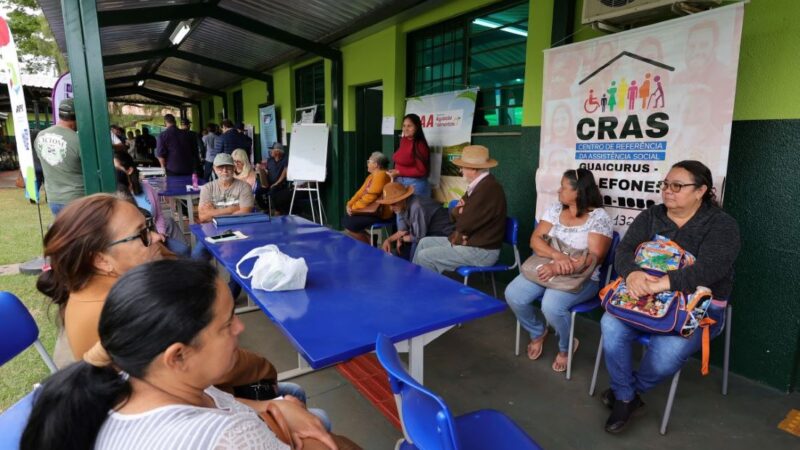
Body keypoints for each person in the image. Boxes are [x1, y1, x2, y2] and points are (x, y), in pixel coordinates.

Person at [35, 194, 323, 409]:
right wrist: (266, 380)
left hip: (203, 397)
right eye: (142, 234)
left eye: (149, 226)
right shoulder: (136, 309)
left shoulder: (86, 291)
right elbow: (220, 375)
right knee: (303, 404)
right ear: (100, 259)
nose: (159, 235)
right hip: (210, 404)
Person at [23, 259, 341, 450]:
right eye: (227, 323)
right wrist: (280, 407)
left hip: (245, 396)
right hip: (252, 388)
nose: (158, 236)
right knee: (299, 397)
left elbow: (218, 398)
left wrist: (272, 405)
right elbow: (254, 371)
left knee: (290, 394)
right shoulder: (230, 438)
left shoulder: (127, 370)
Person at [599, 160, 740, 433]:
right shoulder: (652, 215)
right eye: (665, 184)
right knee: (609, 324)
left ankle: (626, 391)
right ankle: (626, 397)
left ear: (701, 191)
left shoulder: (722, 225)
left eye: (677, 186)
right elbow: (624, 251)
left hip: (697, 309)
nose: (668, 191)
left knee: (668, 354)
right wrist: (632, 275)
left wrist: (662, 284)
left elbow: (709, 269)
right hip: (643, 301)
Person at [505, 169, 612, 372]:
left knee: (551, 306)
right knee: (514, 294)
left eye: (563, 187)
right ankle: (538, 332)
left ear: (579, 191)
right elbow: (535, 240)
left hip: (581, 277)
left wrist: (559, 267)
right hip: (547, 266)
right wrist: (557, 257)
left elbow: (593, 258)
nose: (558, 191)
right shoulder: (555, 209)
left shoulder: (599, 217)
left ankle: (566, 346)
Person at [413, 145, 507, 273]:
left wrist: (461, 211)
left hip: (482, 251)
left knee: (426, 257)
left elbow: (464, 224)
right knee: (424, 242)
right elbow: (453, 214)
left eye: (463, 166)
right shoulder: (478, 186)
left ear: (473, 169)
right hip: (469, 242)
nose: (460, 170)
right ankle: (416, 285)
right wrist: (459, 211)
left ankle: (429, 292)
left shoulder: (488, 188)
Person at [112, 150, 190, 257]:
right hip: (137, 244)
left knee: (184, 250)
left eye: (116, 169)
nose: (113, 174)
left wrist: (161, 233)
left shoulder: (147, 188)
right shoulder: (115, 195)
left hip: (155, 235)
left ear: (129, 170)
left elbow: (159, 216)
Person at [377, 182, 454, 260]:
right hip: (427, 233)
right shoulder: (401, 206)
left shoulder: (417, 207)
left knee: (412, 258)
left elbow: (418, 237)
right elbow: (403, 231)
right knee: (400, 253)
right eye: (389, 204)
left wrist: (401, 239)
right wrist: (388, 240)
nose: (391, 208)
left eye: (393, 204)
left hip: (445, 234)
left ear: (403, 198)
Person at [34, 97, 83, 216]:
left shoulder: (40, 136)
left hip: (53, 199)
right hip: (77, 199)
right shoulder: (79, 140)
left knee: (65, 234)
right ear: (76, 116)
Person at [341, 152, 393, 244]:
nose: (367, 163)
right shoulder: (371, 176)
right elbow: (360, 193)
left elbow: (370, 197)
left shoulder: (381, 175)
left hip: (380, 213)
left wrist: (354, 208)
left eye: (369, 161)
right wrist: (349, 204)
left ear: (376, 164)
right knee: (347, 220)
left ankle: (369, 244)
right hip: (369, 210)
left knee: (349, 223)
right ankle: (370, 239)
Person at [197, 153, 254, 224]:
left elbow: (245, 212)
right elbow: (203, 217)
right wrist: (233, 209)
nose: (225, 170)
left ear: (234, 168)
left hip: (239, 227)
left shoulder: (244, 187)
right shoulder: (207, 188)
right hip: (213, 230)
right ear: (214, 169)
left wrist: (212, 213)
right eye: (220, 167)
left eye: (228, 167)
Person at [389, 113, 430, 197]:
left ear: (417, 127)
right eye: (404, 126)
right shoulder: (404, 140)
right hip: (400, 182)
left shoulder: (420, 145)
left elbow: (421, 171)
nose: (405, 129)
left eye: (409, 126)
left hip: (414, 184)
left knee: (413, 209)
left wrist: (398, 172)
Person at [257, 142, 291, 215]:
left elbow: (285, 172)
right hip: (269, 183)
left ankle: (277, 210)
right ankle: (265, 208)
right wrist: (261, 169)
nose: (270, 152)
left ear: (277, 152)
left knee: (272, 192)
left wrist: (276, 183)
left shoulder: (286, 159)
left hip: (281, 184)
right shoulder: (270, 160)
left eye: (272, 150)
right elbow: (266, 170)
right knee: (258, 191)